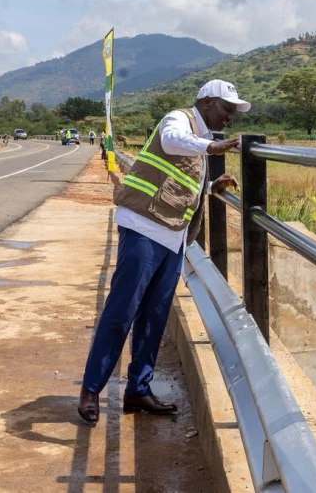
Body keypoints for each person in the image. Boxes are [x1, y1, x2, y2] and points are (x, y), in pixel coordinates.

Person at [77, 79, 250, 425]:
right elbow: (172, 143)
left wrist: (212, 186)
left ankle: (138, 390)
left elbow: (181, 178)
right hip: (144, 225)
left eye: (233, 112)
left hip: (173, 236)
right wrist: (210, 149)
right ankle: (91, 389)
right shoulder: (180, 120)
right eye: (226, 109)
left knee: (154, 316)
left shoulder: (200, 139)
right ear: (206, 103)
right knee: (122, 310)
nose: (230, 117)